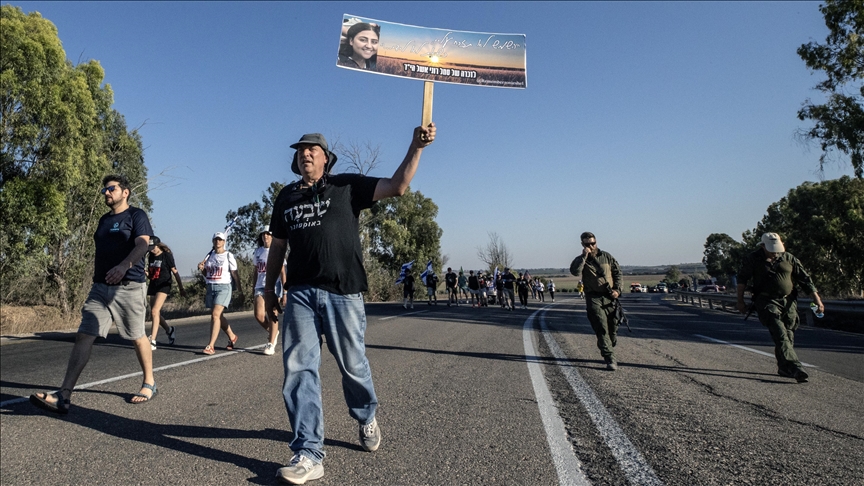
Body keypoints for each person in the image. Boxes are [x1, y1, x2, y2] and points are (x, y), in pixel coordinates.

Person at [264, 123, 436, 484]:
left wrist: (415, 146)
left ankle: (366, 415)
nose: (305, 153)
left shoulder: (346, 186)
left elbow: (397, 186)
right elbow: (277, 247)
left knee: (353, 365)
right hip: (299, 294)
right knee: (298, 370)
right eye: (299, 150)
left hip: (343, 292)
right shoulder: (285, 198)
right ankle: (309, 452)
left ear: (326, 158)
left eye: (312, 149)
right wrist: (268, 291)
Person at [30, 175, 157, 414]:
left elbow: (142, 244)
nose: (107, 193)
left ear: (125, 192)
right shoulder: (103, 220)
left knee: (137, 336)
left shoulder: (136, 216)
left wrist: (124, 266)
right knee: (84, 335)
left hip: (128, 285)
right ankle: (64, 395)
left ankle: (149, 382)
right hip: (100, 287)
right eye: (105, 190)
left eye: (112, 189)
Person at [736, 232, 824, 383]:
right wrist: (740, 301)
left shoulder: (788, 258)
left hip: (788, 301)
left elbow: (805, 279)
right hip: (766, 301)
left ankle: (784, 367)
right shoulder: (753, 259)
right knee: (780, 332)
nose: (774, 251)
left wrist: (817, 299)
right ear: (762, 246)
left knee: (788, 334)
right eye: (771, 248)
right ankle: (796, 367)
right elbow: (742, 280)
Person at [570, 232, 623, 371]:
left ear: (596, 242)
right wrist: (584, 256)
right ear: (582, 244)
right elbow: (575, 272)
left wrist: (617, 290)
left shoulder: (607, 257)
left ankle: (608, 345)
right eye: (587, 244)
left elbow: (617, 273)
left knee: (612, 328)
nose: (591, 246)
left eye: (593, 243)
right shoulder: (581, 259)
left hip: (609, 297)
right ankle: (610, 357)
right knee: (601, 326)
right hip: (593, 297)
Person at [198, 232, 243, 355]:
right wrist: (202, 269)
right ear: (213, 241)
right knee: (218, 316)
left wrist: (240, 291)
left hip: (224, 287)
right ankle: (232, 336)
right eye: (216, 239)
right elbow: (207, 275)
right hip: (211, 286)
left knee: (215, 314)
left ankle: (211, 346)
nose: (218, 242)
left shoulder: (229, 255)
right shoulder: (209, 256)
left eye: (220, 240)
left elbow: (235, 274)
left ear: (224, 242)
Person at [146, 236, 186, 350]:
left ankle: (153, 340)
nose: (152, 249)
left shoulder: (166, 255)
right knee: (155, 314)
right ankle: (169, 330)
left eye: (153, 247)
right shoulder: (150, 257)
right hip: (153, 284)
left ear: (159, 245)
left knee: (154, 311)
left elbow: (175, 272)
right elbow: (151, 274)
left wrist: (181, 288)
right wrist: (146, 273)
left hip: (164, 285)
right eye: (150, 247)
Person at [254, 227, 288, 356]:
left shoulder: (277, 251)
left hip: (274, 286)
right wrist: (254, 287)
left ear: (272, 236)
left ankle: (271, 343)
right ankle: (273, 332)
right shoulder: (258, 252)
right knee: (259, 315)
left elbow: (282, 273)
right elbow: (255, 271)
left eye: (268, 234)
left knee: (272, 313)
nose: (266, 236)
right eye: (263, 234)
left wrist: (285, 292)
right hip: (260, 286)